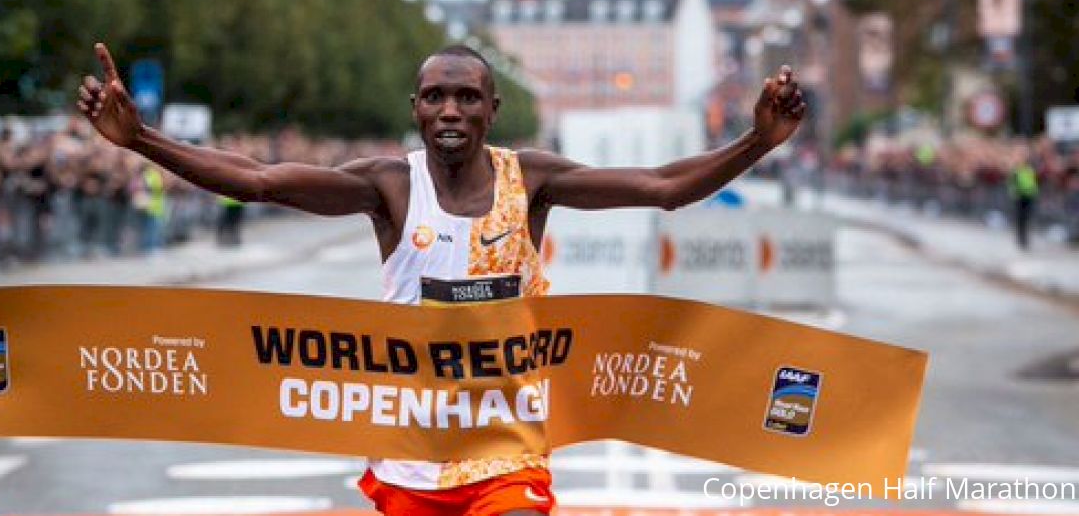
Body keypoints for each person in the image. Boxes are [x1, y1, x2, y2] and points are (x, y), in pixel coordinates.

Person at [77, 41, 805, 516]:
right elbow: (261, 180)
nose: (449, 109)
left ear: (493, 109)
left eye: (465, 96)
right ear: (416, 111)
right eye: (434, 97)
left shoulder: (535, 181)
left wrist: (756, 142)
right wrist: (140, 139)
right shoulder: (391, 186)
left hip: (508, 451)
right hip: (412, 460)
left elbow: (660, 185)